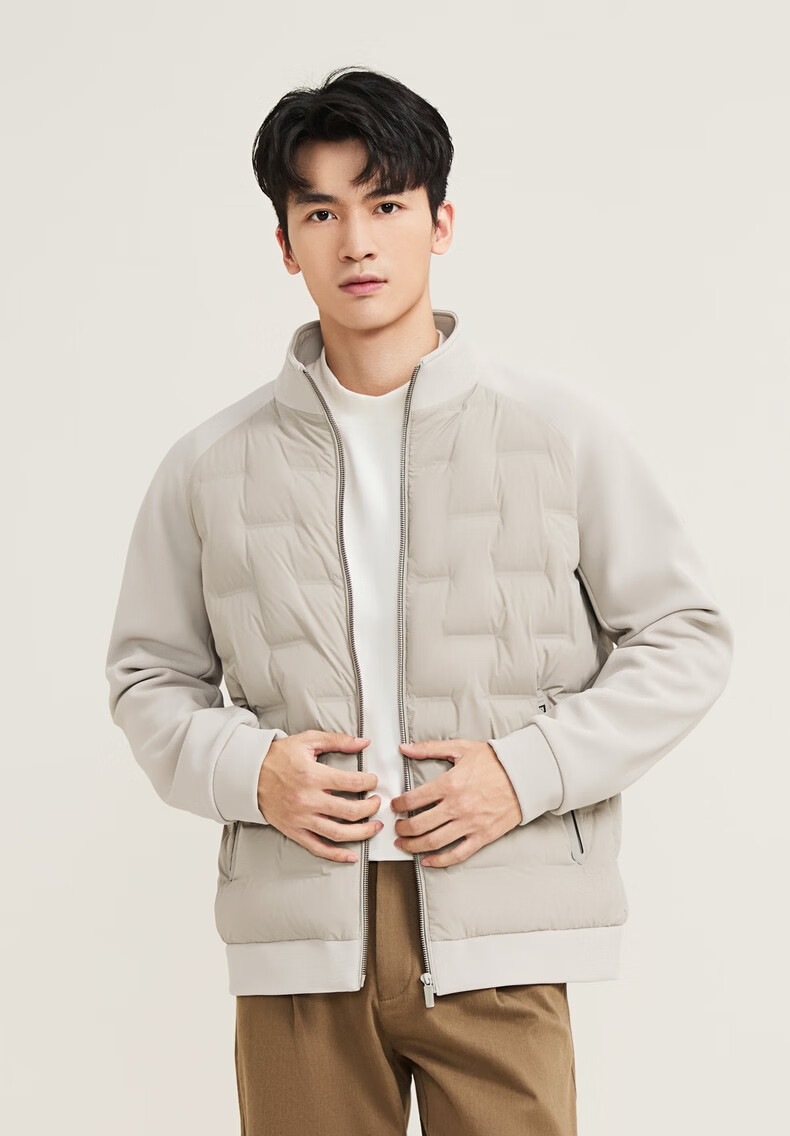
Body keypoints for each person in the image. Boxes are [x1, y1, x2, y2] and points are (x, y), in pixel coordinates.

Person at [105, 65, 735, 1136]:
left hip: (501, 927)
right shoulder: (208, 463)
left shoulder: (558, 433)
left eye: (386, 204)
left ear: (440, 223)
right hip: (300, 937)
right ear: (285, 243)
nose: (356, 241)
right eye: (320, 212)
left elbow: (684, 638)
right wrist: (253, 772)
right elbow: (146, 676)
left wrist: (524, 772)